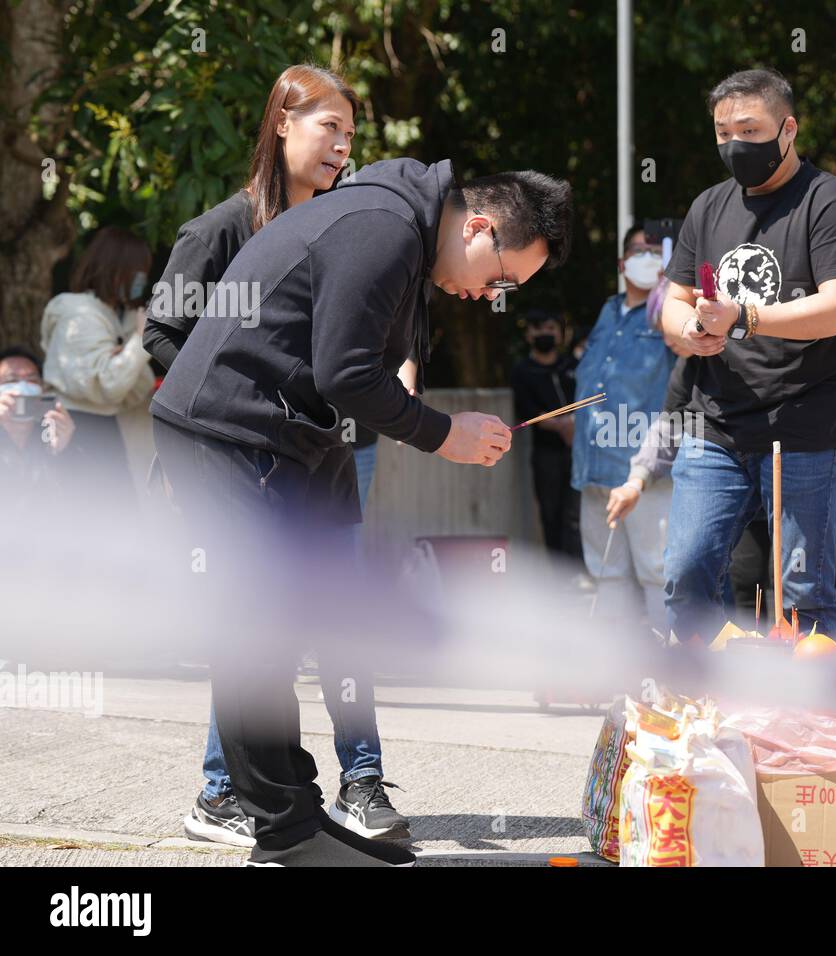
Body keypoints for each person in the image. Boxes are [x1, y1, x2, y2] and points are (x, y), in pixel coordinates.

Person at [150, 157, 572, 866]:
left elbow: (345, 370)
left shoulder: (395, 222)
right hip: (225, 430)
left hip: (270, 437)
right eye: (500, 279)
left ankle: (300, 820)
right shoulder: (384, 226)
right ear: (477, 226)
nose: (489, 296)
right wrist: (443, 433)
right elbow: (345, 373)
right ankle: (285, 834)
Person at [142, 64, 411, 847]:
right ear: (283, 122)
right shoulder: (221, 230)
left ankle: (361, 781)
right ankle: (224, 792)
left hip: (332, 449)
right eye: (329, 126)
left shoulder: (348, 225)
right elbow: (162, 333)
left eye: (352, 135)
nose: (342, 147)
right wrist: (240, 385)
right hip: (244, 453)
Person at [660, 67, 836, 641]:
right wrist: (690, 329)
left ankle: (804, 721)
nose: (735, 144)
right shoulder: (708, 207)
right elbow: (672, 301)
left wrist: (745, 318)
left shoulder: (828, 203)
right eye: (723, 131)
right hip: (717, 425)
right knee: (686, 572)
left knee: (800, 592)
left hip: (804, 424)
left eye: (750, 130)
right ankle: (703, 708)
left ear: (788, 129)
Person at [570, 225, 678, 630]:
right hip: (593, 470)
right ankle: (618, 679)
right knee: (606, 577)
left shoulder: (668, 313)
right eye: (639, 250)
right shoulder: (608, 310)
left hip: (643, 472)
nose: (647, 257)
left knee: (658, 574)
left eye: (655, 251)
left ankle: (668, 682)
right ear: (622, 262)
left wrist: (673, 292)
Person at [39, 227, 155, 503]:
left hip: (105, 429)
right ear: (115, 270)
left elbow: (139, 386)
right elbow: (109, 386)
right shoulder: (78, 313)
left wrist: (126, 354)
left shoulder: (118, 316)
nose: (142, 279)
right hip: (76, 429)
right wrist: (139, 340)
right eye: (137, 271)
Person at [510, 308, 581, 561]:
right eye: (538, 329)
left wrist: (573, 424)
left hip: (578, 450)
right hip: (546, 452)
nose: (545, 334)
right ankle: (560, 573)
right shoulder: (522, 370)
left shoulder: (573, 366)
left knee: (576, 513)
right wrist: (562, 426)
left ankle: (579, 570)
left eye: (551, 328)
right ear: (528, 334)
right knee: (550, 513)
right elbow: (528, 411)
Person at [0, 346, 78, 506]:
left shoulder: (52, 434)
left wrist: (64, 451)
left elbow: (83, 499)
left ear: (42, 390)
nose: (22, 388)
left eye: (32, 380)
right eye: (11, 380)